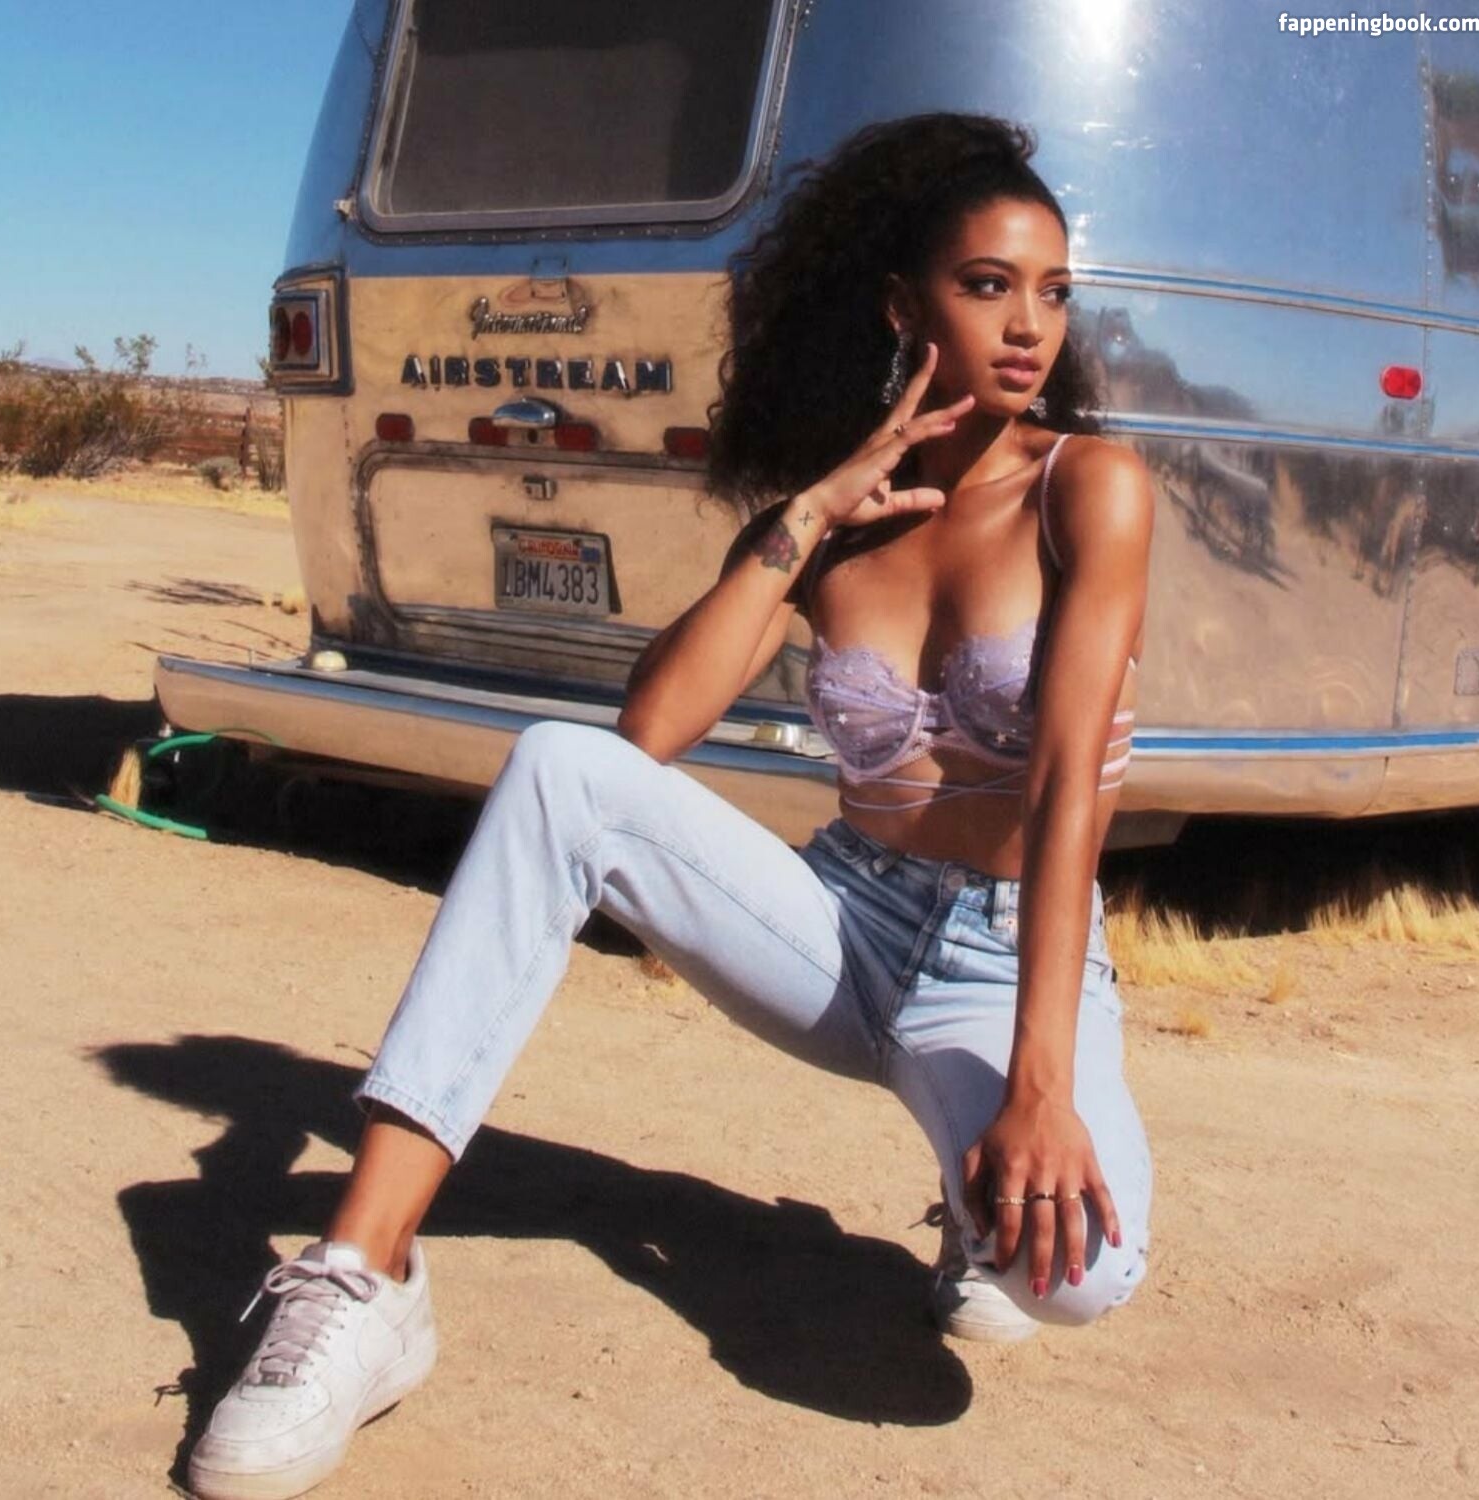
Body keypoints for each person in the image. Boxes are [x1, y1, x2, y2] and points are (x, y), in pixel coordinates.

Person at [187, 112, 1155, 1500]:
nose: (1028, 326)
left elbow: (1065, 794)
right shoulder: (848, 516)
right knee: (560, 768)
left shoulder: (1089, 488)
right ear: (903, 305)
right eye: (987, 284)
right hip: (844, 925)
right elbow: (643, 741)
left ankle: (973, 1181)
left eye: (1052, 291)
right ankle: (362, 1274)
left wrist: (1041, 1090)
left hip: (1004, 967)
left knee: (1071, 1277)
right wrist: (806, 518)